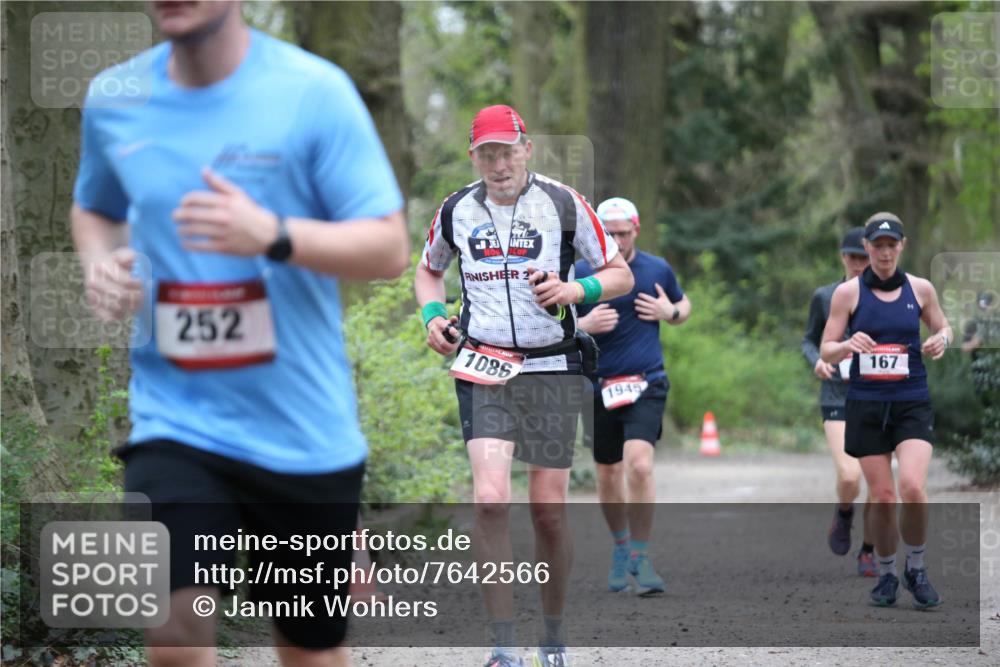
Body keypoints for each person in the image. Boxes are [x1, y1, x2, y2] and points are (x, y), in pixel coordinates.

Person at [71, 3, 408, 666]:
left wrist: (273, 235)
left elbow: (389, 246)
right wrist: (101, 262)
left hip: (302, 429)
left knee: (309, 650)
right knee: (172, 627)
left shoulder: (313, 92)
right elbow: (95, 206)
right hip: (175, 419)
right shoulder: (115, 99)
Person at [415, 104, 633, 667]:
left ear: (526, 148)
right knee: (489, 501)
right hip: (485, 367)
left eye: (507, 150)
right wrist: (434, 316)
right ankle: (503, 646)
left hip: (551, 366)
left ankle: (554, 637)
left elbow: (619, 274)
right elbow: (427, 269)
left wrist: (574, 291)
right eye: (487, 152)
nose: (498, 163)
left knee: (547, 511)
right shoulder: (457, 209)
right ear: (474, 157)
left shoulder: (563, 202)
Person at [821, 212, 952, 609]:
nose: (884, 252)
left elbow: (943, 327)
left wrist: (941, 341)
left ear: (902, 245)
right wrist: (846, 345)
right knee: (881, 495)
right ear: (866, 248)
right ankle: (887, 573)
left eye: (891, 245)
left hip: (911, 400)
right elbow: (827, 347)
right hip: (866, 404)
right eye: (877, 245)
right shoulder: (848, 293)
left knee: (912, 487)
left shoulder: (921, 289)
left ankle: (917, 567)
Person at [575, 197, 690, 596]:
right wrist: (584, 323)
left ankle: (641, 555)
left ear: (636, 230)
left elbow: (682, 304)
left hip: (646, 382)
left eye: (624, 232)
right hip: (597, 384)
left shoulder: (656, 268)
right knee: (607, 472)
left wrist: (668, 312)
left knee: (639, 466)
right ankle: (621, 547)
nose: (618, 240)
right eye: (610, 233)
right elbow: (553, 323)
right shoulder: (581, 272)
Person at [802, 227, 876, 576]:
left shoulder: (886, 296)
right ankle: (845, 513)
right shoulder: (825, 296)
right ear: (843, 257)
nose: (859, 264)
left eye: (863, 256)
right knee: (849, 476)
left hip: (879, 395)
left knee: (879, 484)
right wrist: (816, 359)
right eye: (852, 257)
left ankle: (870, 551)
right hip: (837, 394)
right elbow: (808, 340)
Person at [961, 291, 999, 359]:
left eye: (988, 304)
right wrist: (975, 342)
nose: (986, 309)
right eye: (982, 306)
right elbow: (964, 348)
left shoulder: (996, 323)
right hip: (979, 365)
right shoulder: (972, 324)